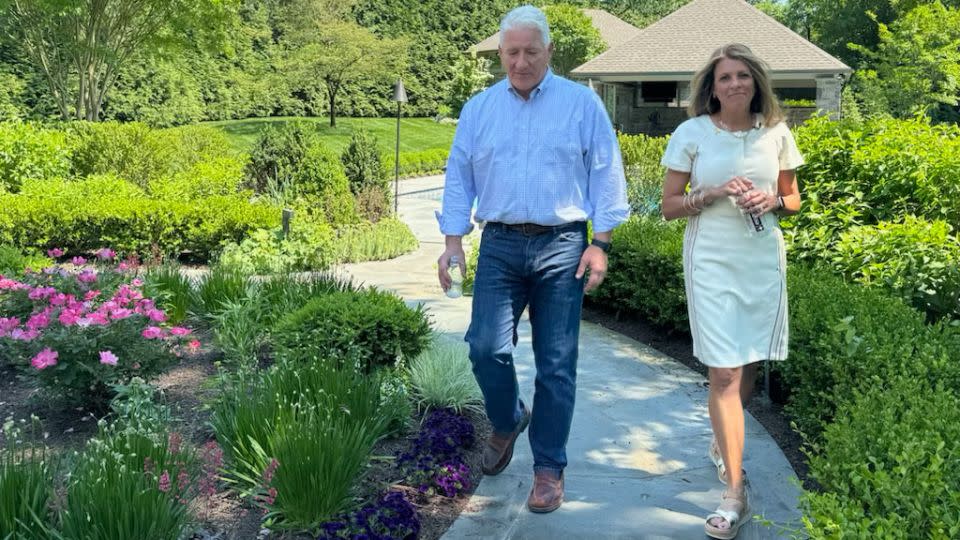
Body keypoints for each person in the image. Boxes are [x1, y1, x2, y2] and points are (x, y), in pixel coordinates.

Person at [435, 4, 629, 514]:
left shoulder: (580, 105)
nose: (521, 62)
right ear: (501, 53)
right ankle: (507, 418)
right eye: (512, 52)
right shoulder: (479, 109)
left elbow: (606, 171)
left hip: (563, 245)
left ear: (549, 52)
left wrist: (600, 243)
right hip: (498, 243)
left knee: (557, 364)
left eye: (531, 51)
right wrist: (453, 240)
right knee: (484, 347)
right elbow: (460, 177)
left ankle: (548, 468)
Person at [659, 43, 803, 539]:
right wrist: (713, 193)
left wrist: (774, 200)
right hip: (712, 261)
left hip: (761, 261)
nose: (735, 84)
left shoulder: (776, 133)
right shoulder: (691, 133)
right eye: (725, 77)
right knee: (723, 370)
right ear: (712, 87)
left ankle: (726, 442)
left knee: (748, 362)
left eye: (743, 75)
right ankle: (735, 490)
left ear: (755, 81)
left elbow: (794, 198)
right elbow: (670, 206)